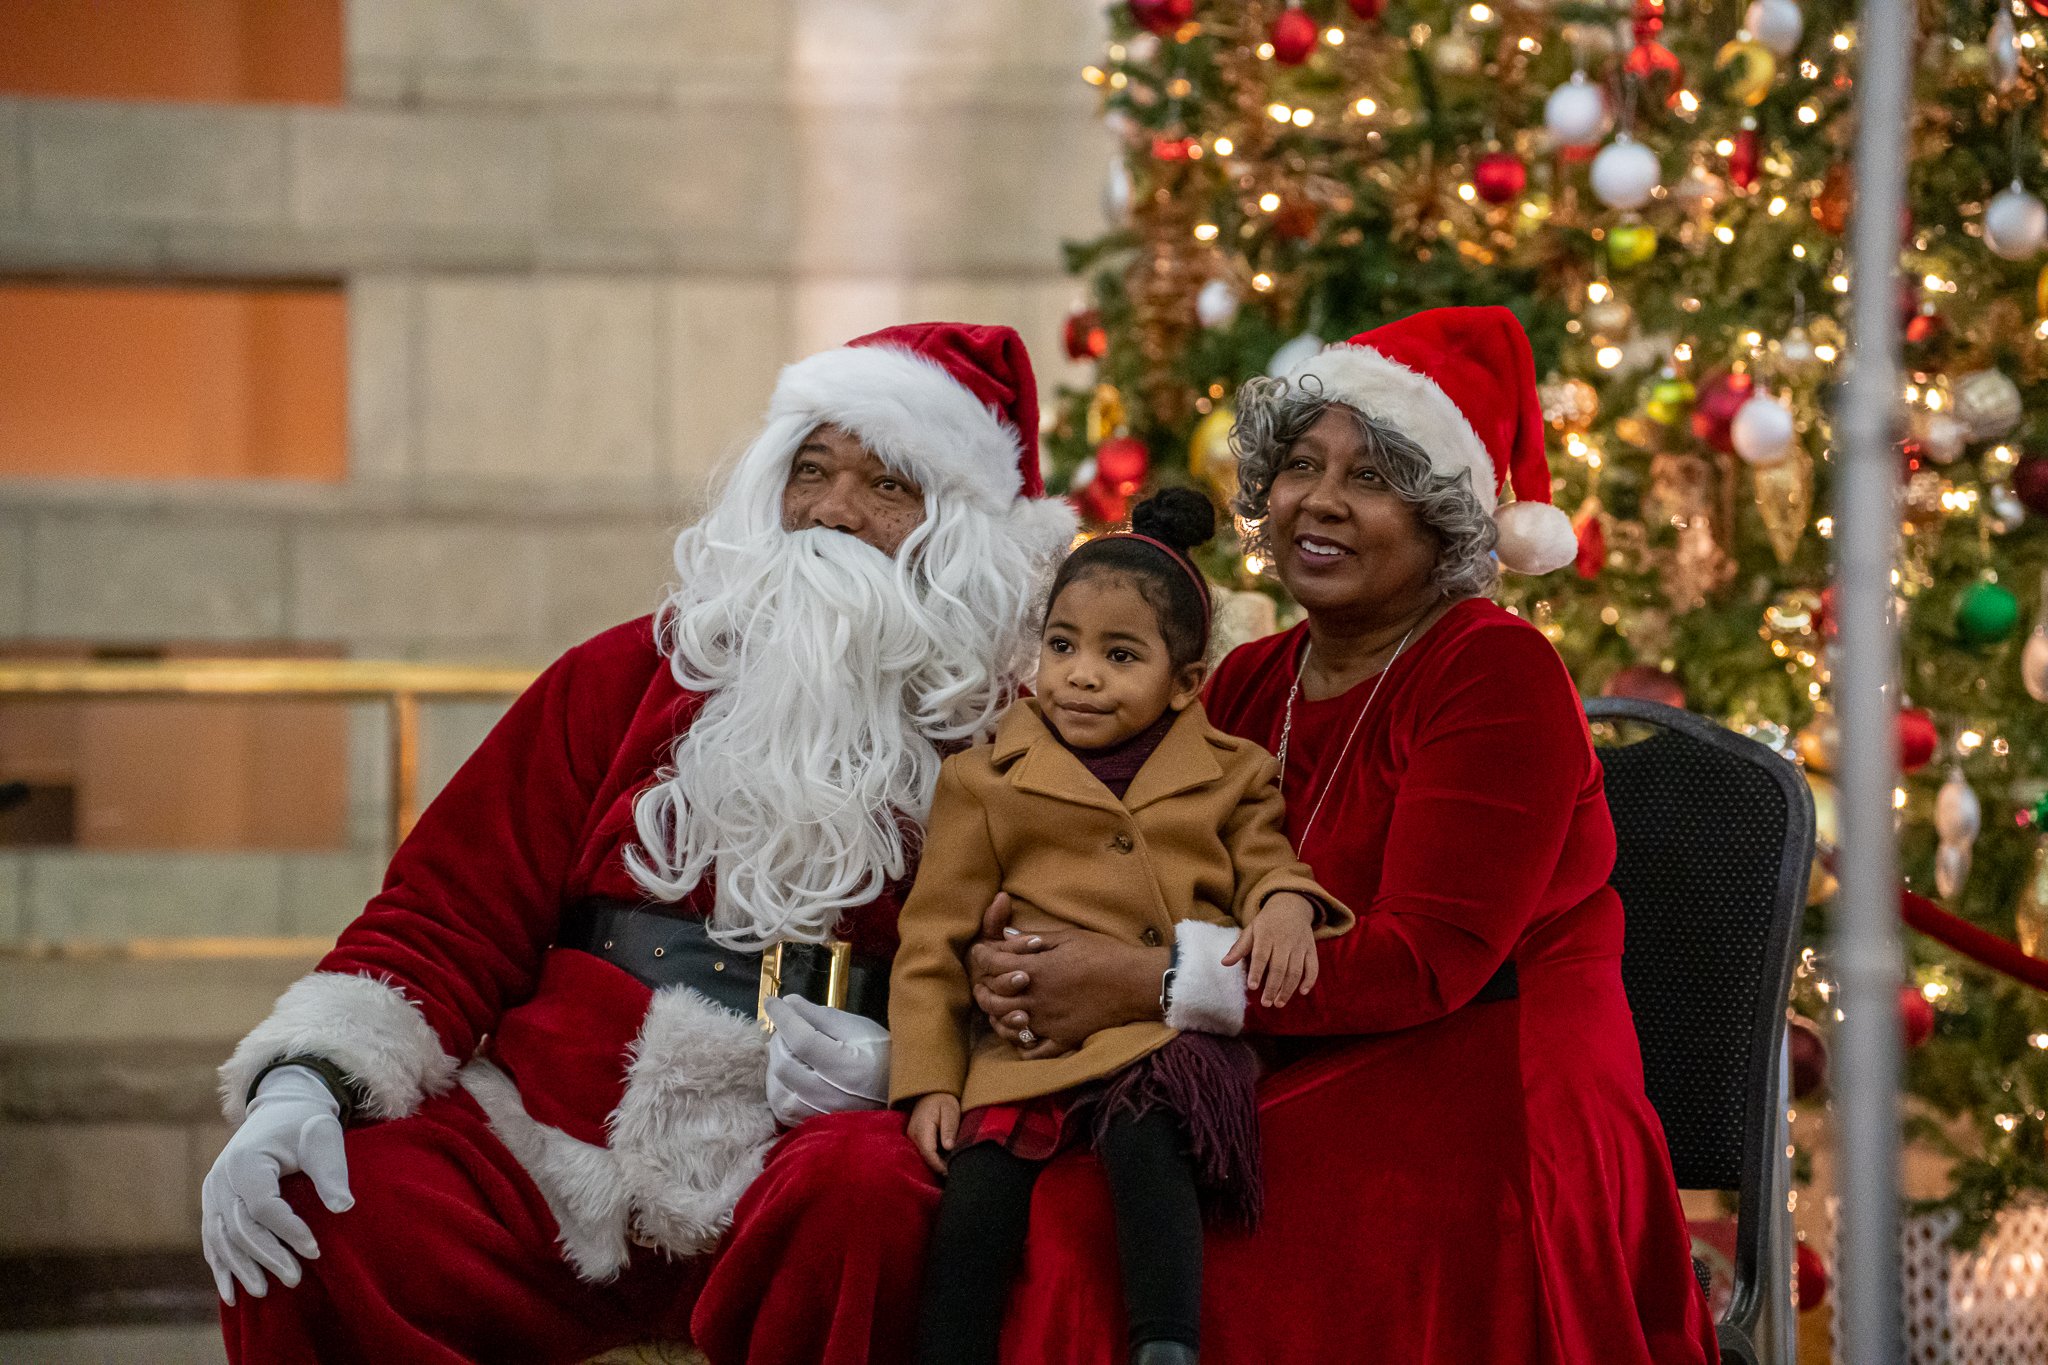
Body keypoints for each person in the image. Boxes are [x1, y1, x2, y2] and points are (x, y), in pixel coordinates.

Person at [198, 321, 1078, 1365]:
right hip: (552, 1136)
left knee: (870, 1194)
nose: (831, 513)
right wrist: (303, 1083)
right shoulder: (622, 676)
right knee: (320, 1201)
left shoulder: (1017, 735)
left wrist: (913, 1065)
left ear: (963, 530)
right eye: (810, 471)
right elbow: (447, 911)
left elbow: (1059, 975)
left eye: (888, 486)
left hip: (817, 1151)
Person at [943, 307, 1721, 1362]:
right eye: (1301, 465)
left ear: (1445, 515)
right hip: (1291, 1059)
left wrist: (1134, 982)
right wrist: (1023, 938)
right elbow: (1139, 857)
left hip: (1484, 1094)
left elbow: (1427, 963)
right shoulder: (1259, 674)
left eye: (1371, 476)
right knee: (1026, 1190)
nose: (1318, 499)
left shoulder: (1493, 672)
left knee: (1089, 1235)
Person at [890, 488, 1352, 1365]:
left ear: (1184, 684)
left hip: (1157, 1033)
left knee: (1152, 1140)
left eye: (1120, 654)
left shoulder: (1231, 772)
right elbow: (935, 942)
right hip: (1030, 1046)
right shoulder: (986, 781)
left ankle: (1166, 1342)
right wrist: (929, 1079)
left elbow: (1266, 862)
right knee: (979, 1198)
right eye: (1062, 646)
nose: (1082, 674)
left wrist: (1287, 904)